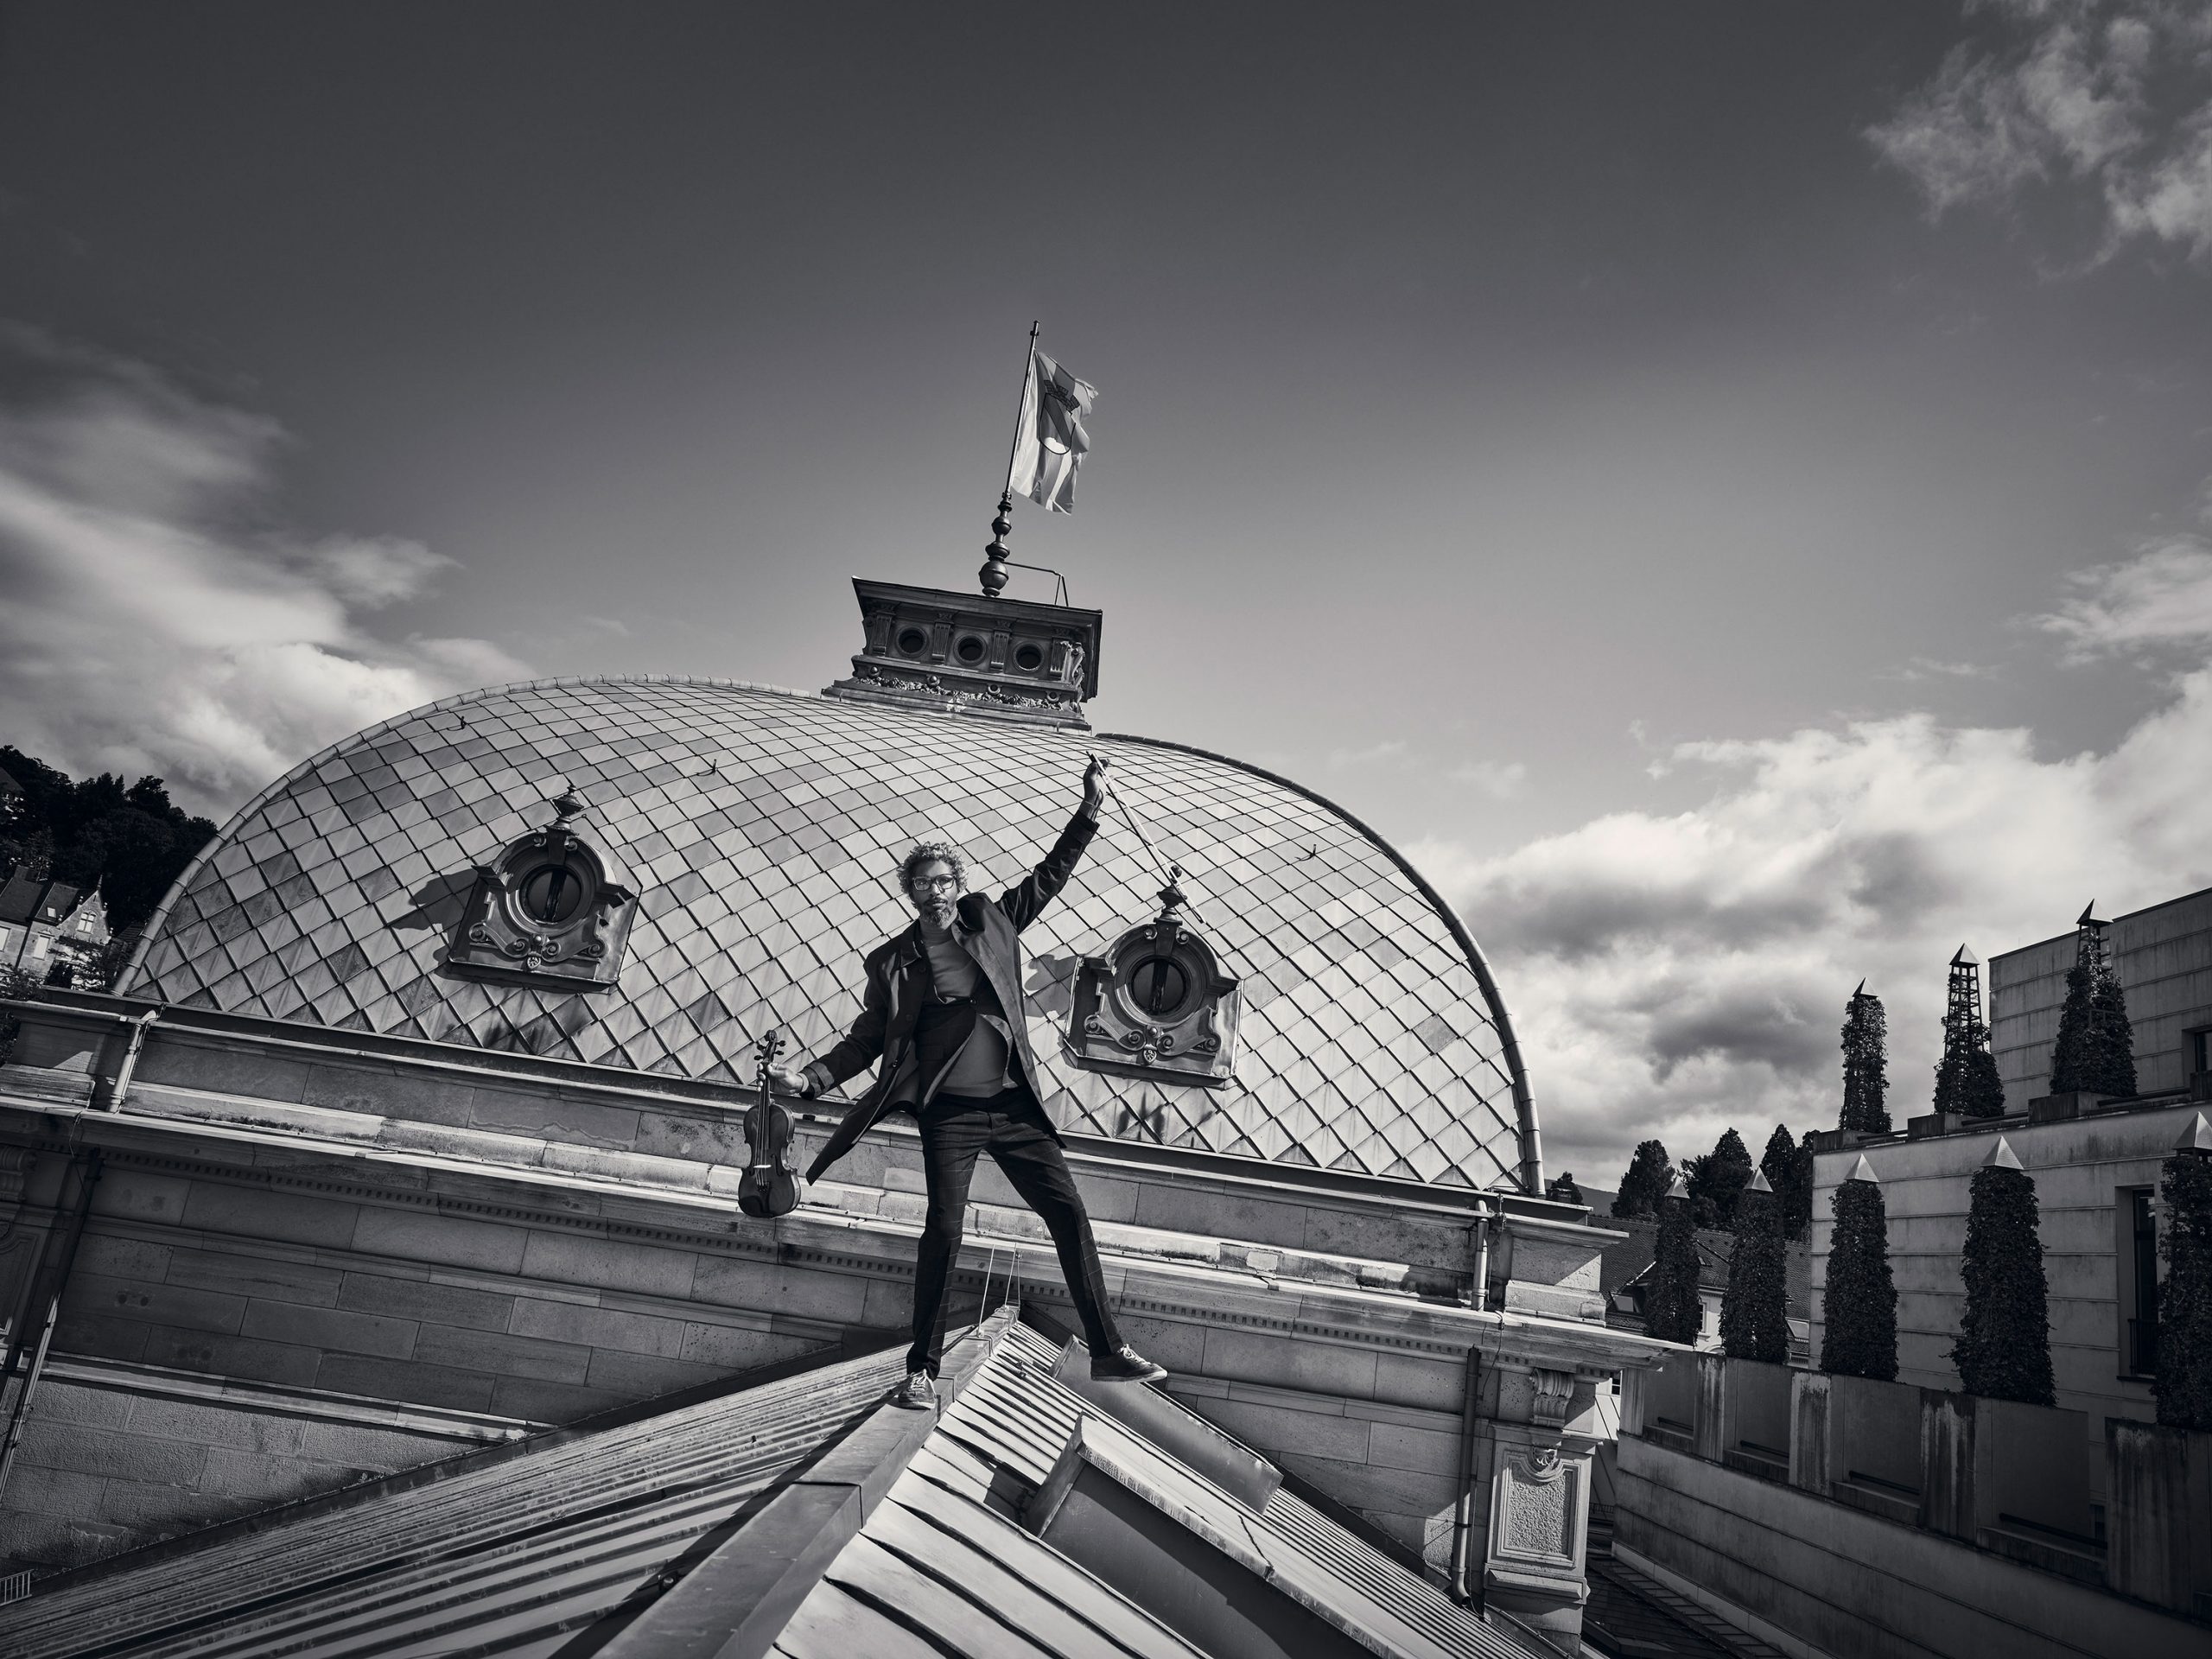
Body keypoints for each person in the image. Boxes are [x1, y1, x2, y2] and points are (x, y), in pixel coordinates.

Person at [769, 754, 1166, 1408]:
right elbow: (868, 1039)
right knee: (944, 1231)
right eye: (923, 883)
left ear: (958, 886)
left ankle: (1107, 1351)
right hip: (949, 1114)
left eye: (944, 880)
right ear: (910, 892)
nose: (935, 891)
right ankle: (920, 1370)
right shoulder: (892, 962)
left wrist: (1090, 809)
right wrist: (809, 1080)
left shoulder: (993, 922)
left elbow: (1050, 876)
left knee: (1068, 1214)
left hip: (1012, 1108)